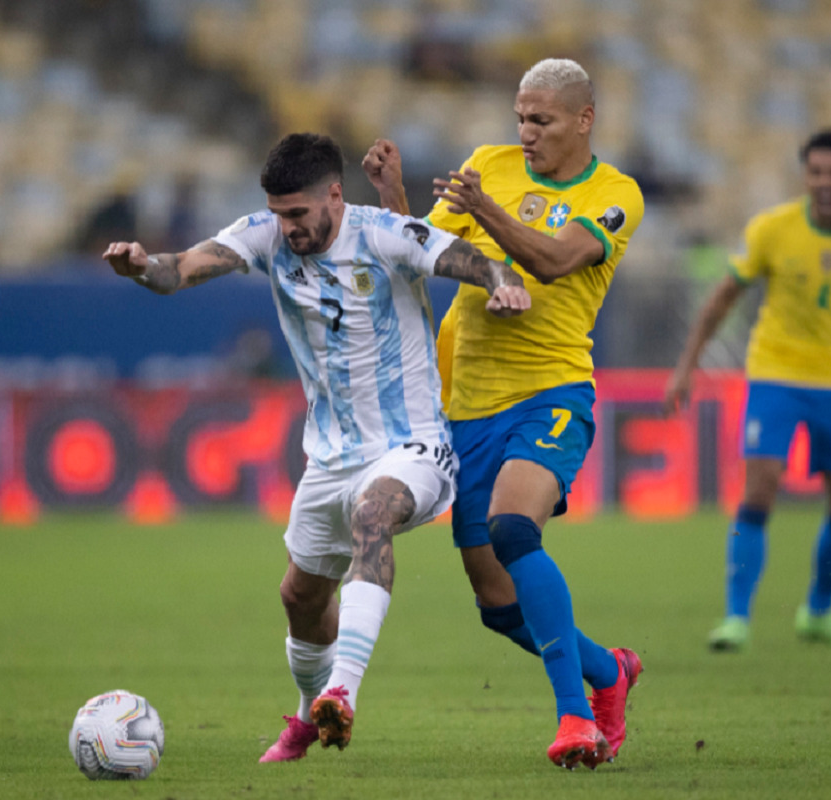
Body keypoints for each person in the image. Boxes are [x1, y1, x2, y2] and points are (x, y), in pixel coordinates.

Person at [104, 132, 530, 762]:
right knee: (300, 599)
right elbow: (182, 269)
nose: (287, 228)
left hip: (412, 444)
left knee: (372, 513)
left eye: (298, 214)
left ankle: (343, 692)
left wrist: (502, 281)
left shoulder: (385, 234)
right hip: (329, 457)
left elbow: (470, 259)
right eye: (278, 215)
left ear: (335, 195)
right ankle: (309, 718)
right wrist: (142, 267)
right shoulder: (265, 234)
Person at [363, 57, 645, 769]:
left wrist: (486, 209)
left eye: (541, 121)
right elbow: (421, 253)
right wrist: (396, 197)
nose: (526, 133)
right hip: (467, 407)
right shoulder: (490, 163)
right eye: (521, 117)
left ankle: (576, 718)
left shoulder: (614, 194)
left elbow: (552, 262)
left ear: (583, 120)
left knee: (515, 529)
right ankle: (608, 672)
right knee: (496, 602)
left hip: (550, 393)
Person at [665, 128, 831, 652]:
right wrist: (687, 366)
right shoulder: (773, 229)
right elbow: (721, 298)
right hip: (775, 375)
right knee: (760, 487)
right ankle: (737, 617)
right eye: (815, 172)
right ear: (805, 175)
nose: (824, 182)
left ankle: (818, 613)